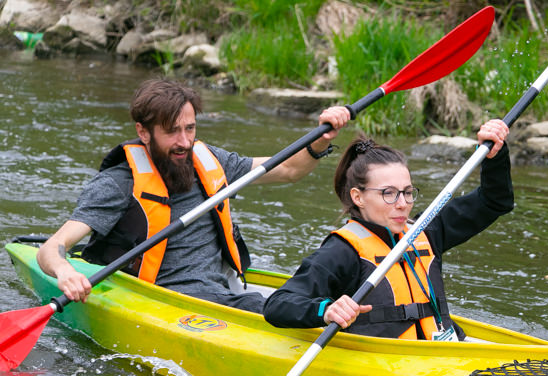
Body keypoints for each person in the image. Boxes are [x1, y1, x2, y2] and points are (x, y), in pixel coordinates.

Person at [36, 78, 351, 313]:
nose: (184, 141)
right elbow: (51, 249)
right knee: (300, 312)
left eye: (190, 128)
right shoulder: (119, 183)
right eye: (172, 131)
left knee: (318, 294)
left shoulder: (207, 160)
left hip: (223, 295)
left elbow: (289, 171)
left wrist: (321, 139)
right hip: (171, 304)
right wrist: (65, 272)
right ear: (143, 132)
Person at [263, 119, 512, 340]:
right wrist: (327, 310)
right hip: (386, 363)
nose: (402, 204)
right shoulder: (343, 250)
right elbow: (278, 305)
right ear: (358, 197)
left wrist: (495, 156)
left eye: (406, 192)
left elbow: (495, 201)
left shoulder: (427, 231)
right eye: (388, 194)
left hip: (440, 354)